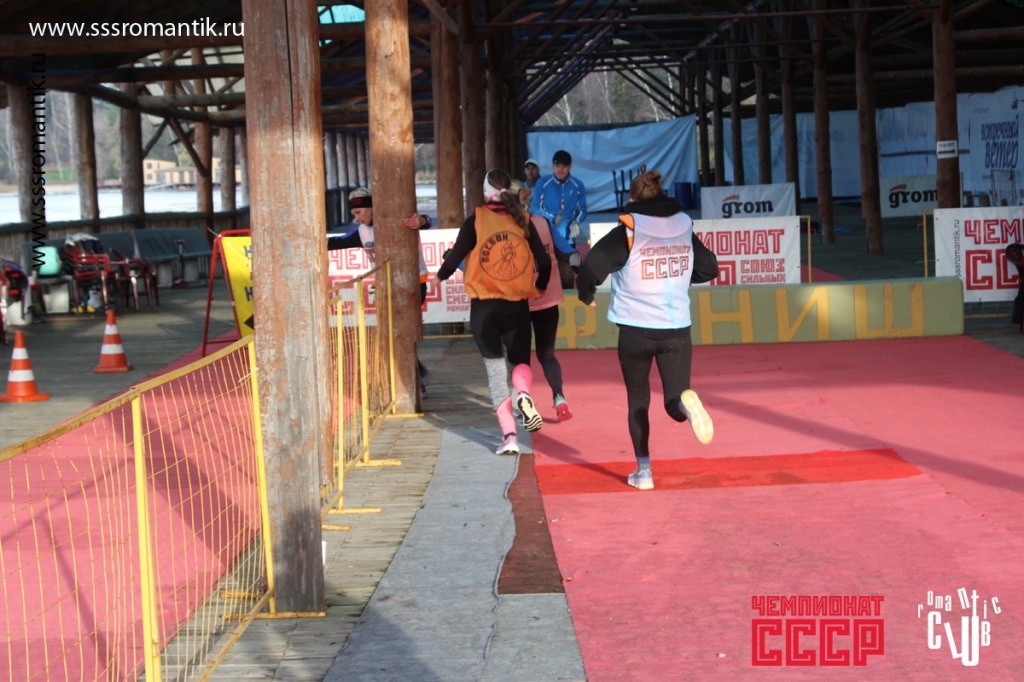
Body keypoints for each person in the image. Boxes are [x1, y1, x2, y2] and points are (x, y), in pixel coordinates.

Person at [576, 168, 719, 491]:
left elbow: (593, 266)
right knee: (674, 399)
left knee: (638, 402)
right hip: (676, 328)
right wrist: (682, 277)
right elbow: (710, 267)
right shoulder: (684, 226)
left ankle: (644, 472)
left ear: (632, 198)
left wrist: (586, 294)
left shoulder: (628, 230)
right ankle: (686, 407)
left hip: (635, 330)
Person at [429, 169, 552, 455]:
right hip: (517, 306)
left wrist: (436, 279)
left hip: (484, 309)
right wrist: (541, 286)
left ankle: (509, 437)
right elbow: (544, 262)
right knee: (520, 363)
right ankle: (523, 394)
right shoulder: (523, 219)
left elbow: (455, 257)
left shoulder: (475, 220)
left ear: (485, 193)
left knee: (496, 373)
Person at [328, 187, 433, 395]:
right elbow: (337, 242)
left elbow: (423, 221)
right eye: (354, 214)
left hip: (413, 283)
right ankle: (416, 375)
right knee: (392, 333)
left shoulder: (392, 219)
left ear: (371, 208)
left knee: (401, 332)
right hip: (386, 286)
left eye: (358, 212)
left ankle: (415, 379)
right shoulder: (362, 231)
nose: (356, 218)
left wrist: (422, 220)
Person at [511, 179, 574, 422]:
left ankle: (524, 405)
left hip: (519, 303)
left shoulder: (504, 229)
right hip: (548, 299)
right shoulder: (543, 222)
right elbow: (567, 252)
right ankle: (559, 398)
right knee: (547, 354)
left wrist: (453, 261)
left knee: (520, 359)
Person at [531, 150, 587, 288]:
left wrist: (576, 222)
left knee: (567, 277)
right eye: (557, 166)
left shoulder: (577, 185)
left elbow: (582, 209)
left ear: (570, 167)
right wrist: (551, 218)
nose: (560, 169)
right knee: (545, 276)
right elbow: (535, 208)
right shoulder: (543, 183)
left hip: (567, 240)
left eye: (564, 166)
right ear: (552, 166)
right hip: (546, 237)